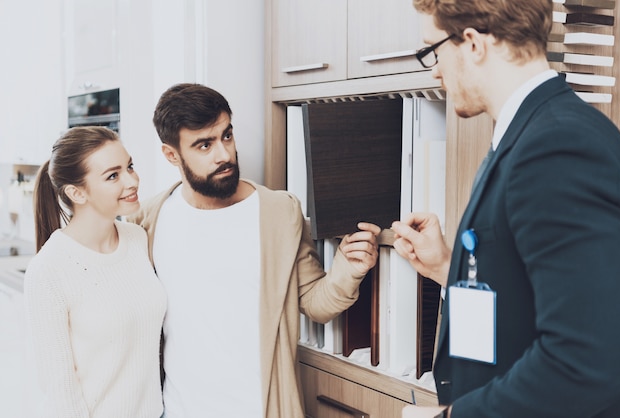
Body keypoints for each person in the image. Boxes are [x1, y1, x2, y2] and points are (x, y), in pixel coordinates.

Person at [392, 0, 620, 417]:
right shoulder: (527, 132)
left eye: (433, 50)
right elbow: (538, 293)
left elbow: (586, 359)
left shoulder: (557, 145)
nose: (434, 69)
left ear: (472, 44)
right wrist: (449, 268)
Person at [127, 83, 381, 418]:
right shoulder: (147, 221)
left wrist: (349, 269)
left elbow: (316, 304)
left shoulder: (279, 211)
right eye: (205, 144)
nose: (224, 154)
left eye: (227, 136)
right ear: (172, 155)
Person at [24, 127, 167, 418]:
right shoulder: (49, 269)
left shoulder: (137, 238)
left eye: (130, 167)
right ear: (76, 192)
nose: (132, 181)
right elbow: (60, 390)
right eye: (113, 175)